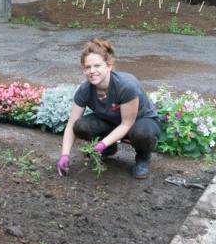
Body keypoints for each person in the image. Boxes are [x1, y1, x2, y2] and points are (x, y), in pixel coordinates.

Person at [56, 39, 161, 180]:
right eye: (88, 67)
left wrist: (101, 143)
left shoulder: (126, 86)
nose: (92, 71)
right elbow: (71, 124)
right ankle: (109, 149)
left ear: (109, 66)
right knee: (80, 125)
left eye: (97, 66)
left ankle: (143, 158)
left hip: (140, 122)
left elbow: (126, 124)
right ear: (83, 69)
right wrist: (64, 155)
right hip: (112, 122)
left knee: (142, 133)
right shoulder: (85, 90)